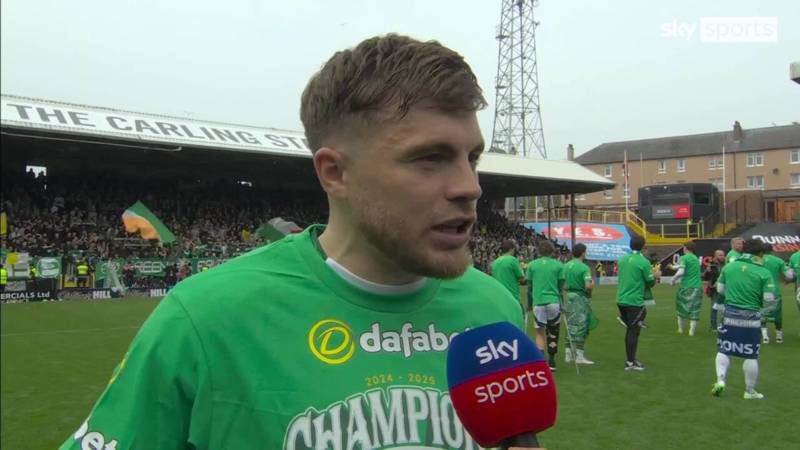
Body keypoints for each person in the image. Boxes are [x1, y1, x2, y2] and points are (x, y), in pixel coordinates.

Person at [60, 34, 524, 449]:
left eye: (472, 158)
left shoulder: (495, 311)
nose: (470, 187)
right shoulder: (205, 318)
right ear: (335, 173)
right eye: (430, 158)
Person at [712, 239, 776, 400]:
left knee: (724, 349)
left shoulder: (729, 267)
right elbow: (769, 299)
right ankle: (749, 391)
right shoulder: (764, 272)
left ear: (743, 250)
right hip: (751, 318)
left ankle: (720, 380)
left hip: (729, 315)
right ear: (761, 253)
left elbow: (720, 289)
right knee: (751, 354)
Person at [616, 235, 657, 371]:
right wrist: (656, 276)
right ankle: (630, 362)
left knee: (630, 330)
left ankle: (631, 359)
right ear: (643, 246)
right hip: (634, 301)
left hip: (621, 299)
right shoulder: (643, 262)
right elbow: (650, 282)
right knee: (633, 331)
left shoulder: (622, 259)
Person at [527, 240, 565, 370]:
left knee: (539, 332)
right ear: (552, 251)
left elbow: (529, 287)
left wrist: (529, 304)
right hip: (553, 301)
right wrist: (562, 302)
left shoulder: (532, 265)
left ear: (539, 251)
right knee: (553, 331)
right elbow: (560, 287)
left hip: (538, 302)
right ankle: (552, 360)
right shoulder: (558, 265)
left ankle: (541, 360)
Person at [562, 243, 596, 365]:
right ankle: (579, 356)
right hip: (580, 298)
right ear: (582, 253)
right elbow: (588, 286)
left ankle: (568, 353)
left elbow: (562, 284)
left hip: (568, 297)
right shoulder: (584, 267)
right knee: (581, 326)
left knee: (570, 324)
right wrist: (590, 290)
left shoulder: (565, 266)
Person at [759, 244, 793, 344]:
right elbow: (789, 275)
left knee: (762, 313)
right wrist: (787, 280)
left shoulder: (757, 260)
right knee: (777, 314)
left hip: (760, 291)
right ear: (772, 250)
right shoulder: (778, 260)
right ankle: (779, 336)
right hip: (774, 291)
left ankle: (765, 337)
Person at [671, 241, 703, 336]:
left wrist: (673, 280)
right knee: (694, 310)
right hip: (697, 287)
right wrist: (673, 267)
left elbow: (681, 271)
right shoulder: (695, 258)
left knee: (681, 308)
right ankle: (691, 331)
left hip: (686, 287)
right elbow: (682, 267)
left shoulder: (684, 258)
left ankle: (680, 329)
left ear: (685, 248)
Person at [702, 249, 726, 331]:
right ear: (715, 256)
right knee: (714, 308)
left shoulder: (726, 264)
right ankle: (713, 326)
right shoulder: (711, 265)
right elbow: (704, 277)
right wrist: (707, 271)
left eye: (723, 255)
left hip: (725, 288)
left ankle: (723, 324)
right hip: (714, 289)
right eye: (720, 255)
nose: (722, 257)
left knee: (726, 308)